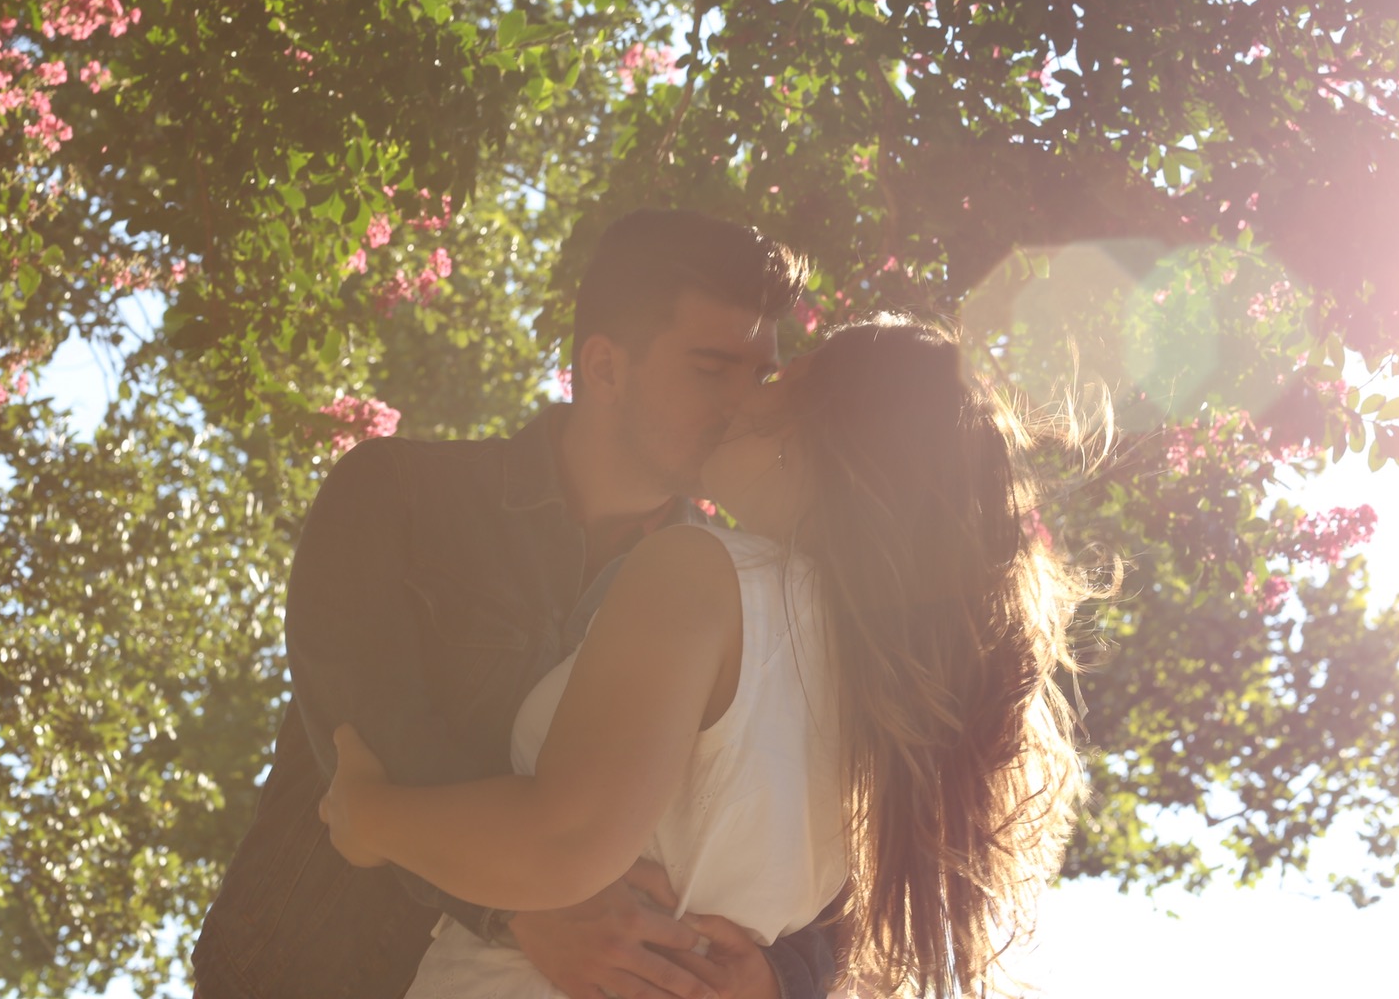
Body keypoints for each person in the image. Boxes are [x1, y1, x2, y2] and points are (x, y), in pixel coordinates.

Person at [319, 317, 1087, 999]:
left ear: (827, 434)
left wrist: (369, 816)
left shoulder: (703, 574)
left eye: (775, 385)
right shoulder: (895, 701)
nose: (741, 404)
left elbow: (564, 843)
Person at [191, 209, 830, 999]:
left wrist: (782, 977)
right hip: (300, 974)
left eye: (760, 376)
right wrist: (524, 902)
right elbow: (371, 743)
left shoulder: (745, 597)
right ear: (604, 368)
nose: (743, 405)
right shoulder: (395, 494)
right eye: (710, 370)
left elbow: (835, 819)